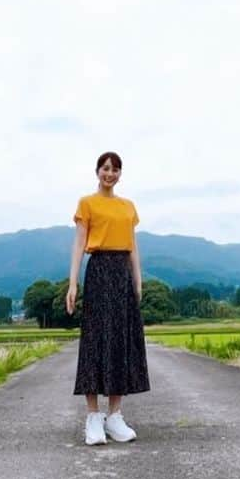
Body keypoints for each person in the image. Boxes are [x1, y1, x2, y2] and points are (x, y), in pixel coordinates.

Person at [67, 150, 150, 446]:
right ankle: (93, 417)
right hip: (99, 270)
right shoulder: (87, 203)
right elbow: (79, 244)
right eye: (105, 168)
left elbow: (133, 247)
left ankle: (115, 415)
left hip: (122, 274)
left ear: (120, 174)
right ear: (97, 171)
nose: (109, 173)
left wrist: (138, 280)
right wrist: (73, 283)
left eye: (115, 169)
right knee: (95, 340)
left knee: (120, 341)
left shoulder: (128, 207)